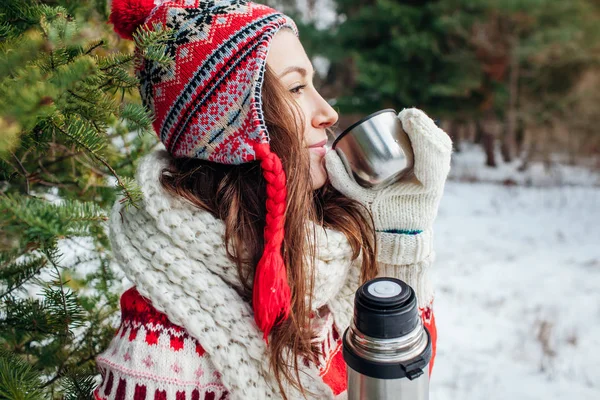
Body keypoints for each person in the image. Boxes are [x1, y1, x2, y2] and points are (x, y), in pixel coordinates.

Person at [95, 1, 452, 399]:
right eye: (297, 87)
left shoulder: (325, 252)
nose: (329, 113)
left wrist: (400, 241)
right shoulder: (161, 355)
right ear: (229, 124)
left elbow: (402, 385)